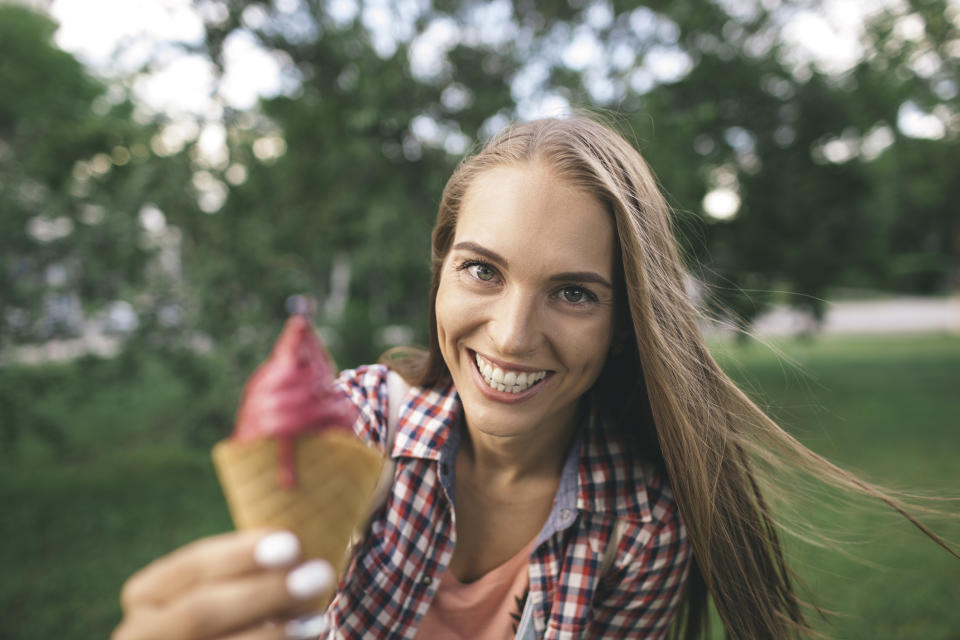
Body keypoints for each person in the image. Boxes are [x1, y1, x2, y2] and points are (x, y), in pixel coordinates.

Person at [112, 115, 956, 640]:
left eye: (575, 293)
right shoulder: (353, 429)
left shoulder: (641, 530)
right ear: (441, 269)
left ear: (626, 323)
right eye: (482, 271)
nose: (513, 335)